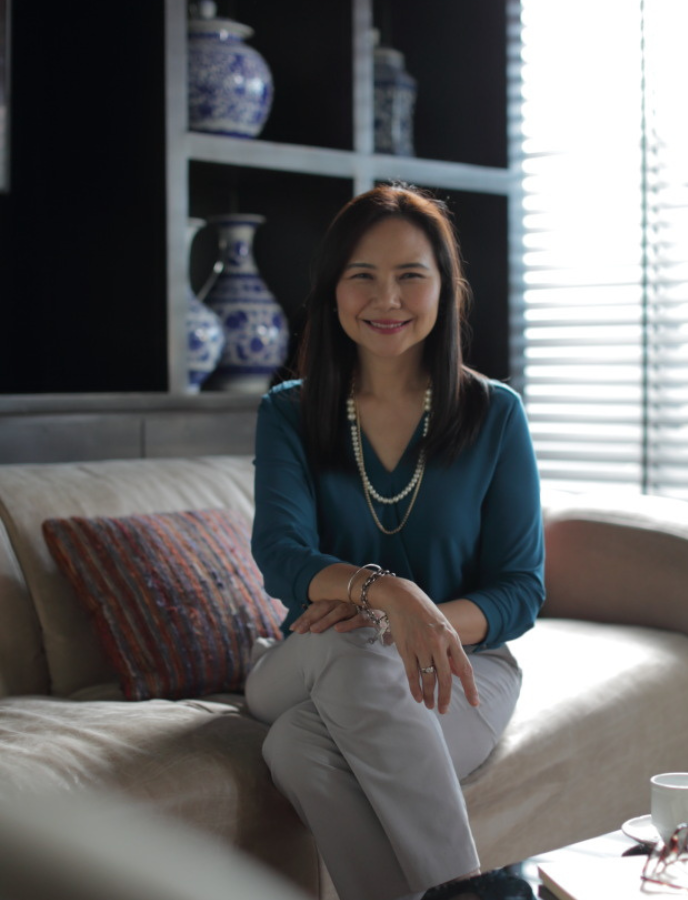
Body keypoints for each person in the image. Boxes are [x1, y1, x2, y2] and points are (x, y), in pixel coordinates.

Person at [244, 184, 545, 900]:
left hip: (467, 665)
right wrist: (390, 599)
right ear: (332, 290)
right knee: (360, 646)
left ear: (445, 289)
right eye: (362, 276)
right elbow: (281, 555)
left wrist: (426, 627)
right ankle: (474, 892)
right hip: (307, 656)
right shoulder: (288, 412)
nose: (388, 298)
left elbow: (520, 588)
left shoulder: (494, 415)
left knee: (300, 747)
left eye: (411, 275)